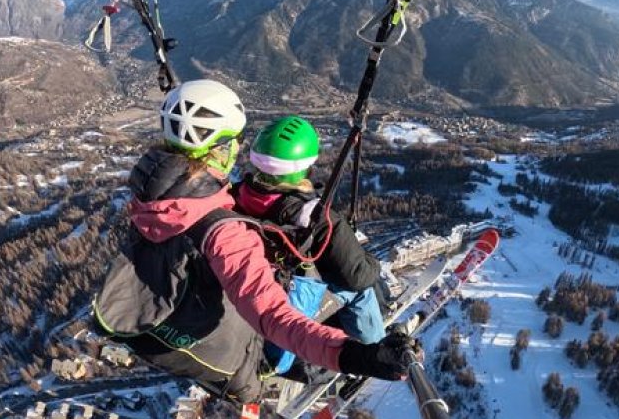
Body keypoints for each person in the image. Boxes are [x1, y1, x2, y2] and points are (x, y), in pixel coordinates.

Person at [92, 80, 416, 405]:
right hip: (257, 353)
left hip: (173, 326)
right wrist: (363, 357)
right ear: (218, 149)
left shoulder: (154, 196)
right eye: (234, 141)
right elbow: (276, 319)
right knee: (355, 290)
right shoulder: (222, 231)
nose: (237, 149)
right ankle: (375, 336)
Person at [232, 115, 386, 344]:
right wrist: (372, 262)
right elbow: (358, 277)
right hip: (285, 303)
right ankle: (375, 350)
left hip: (248, 295)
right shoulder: (316, 218)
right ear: (305, 168)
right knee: (362, 290)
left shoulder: (233, 197)